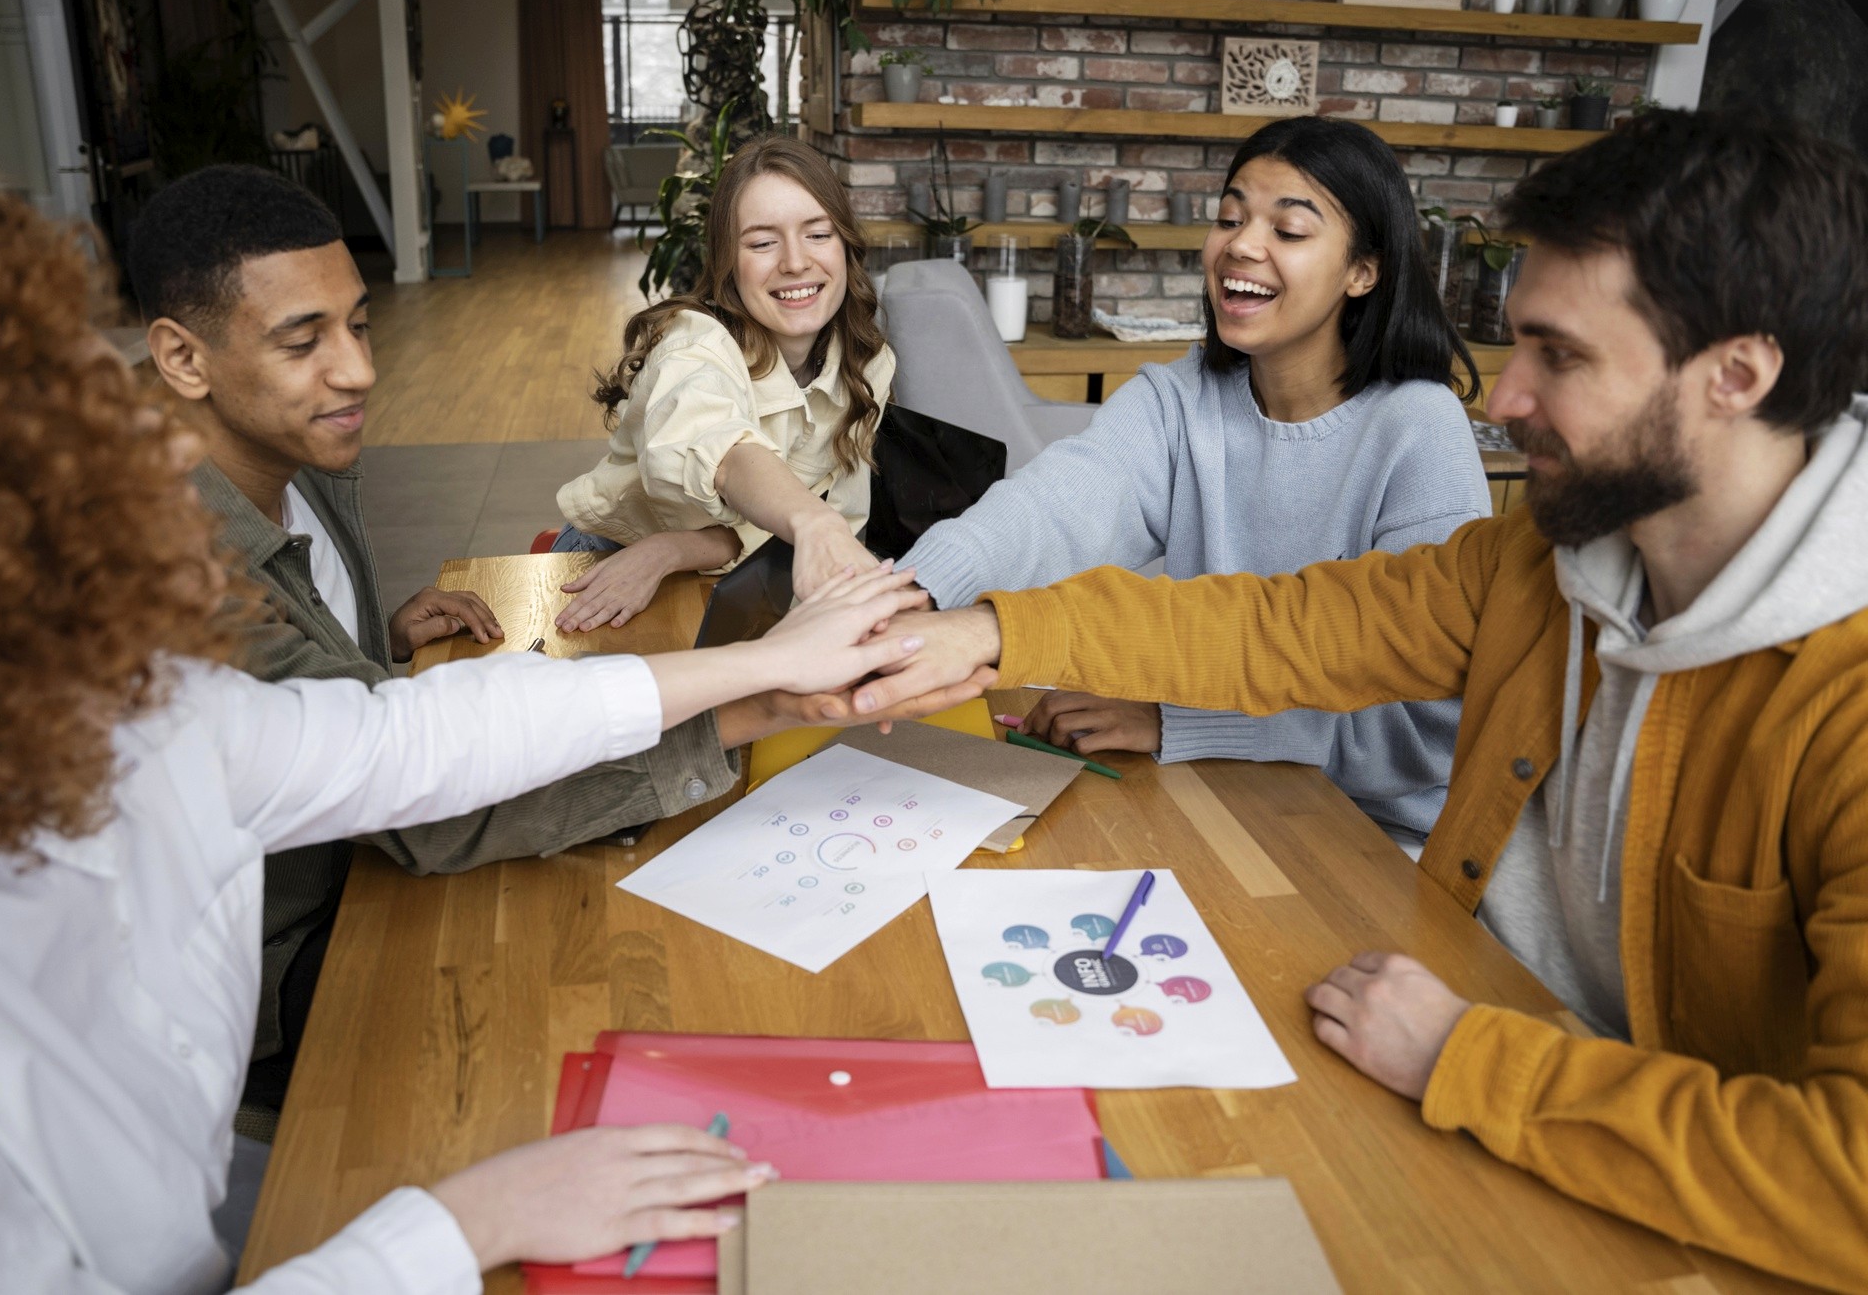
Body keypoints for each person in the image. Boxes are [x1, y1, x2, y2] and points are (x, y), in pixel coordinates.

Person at [856, 111, 1868, 1290]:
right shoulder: (1542, 559)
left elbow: (1843, 1183)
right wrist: (985, 625)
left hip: (1630, 1169)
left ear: (1734, 377)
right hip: (1464, 1014)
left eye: (1560, 357)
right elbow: (1284, 623)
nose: (1504, 400)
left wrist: (1463, 1054)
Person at [0, 180, 933, 1291]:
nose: (162, 467)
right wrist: (457, 1223)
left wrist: (761, 678)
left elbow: (403, 736)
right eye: (93, 449)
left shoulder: (140, 704)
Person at [129, 165, 931, 1108]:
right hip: (282, 955)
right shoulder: (168, 572)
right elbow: (411, 790)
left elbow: (297, 714)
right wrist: (759, 685)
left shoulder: (297, 468)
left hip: (362, 859)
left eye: (359, 326)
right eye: (303, 341)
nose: (358, 369)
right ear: (182, 359)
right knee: (603, 1006)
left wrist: (363, 645)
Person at [900, 117, 1491, 847]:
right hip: (1209, 786)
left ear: (1363, 270)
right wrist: (911, 595)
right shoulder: (1181, 397)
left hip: (1368, 835)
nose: (1241, 244)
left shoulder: (1419, 426)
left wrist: (1176, 718)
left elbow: (1428, 727)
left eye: (1291, 229)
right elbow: (1052, 508)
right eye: (1230, 217)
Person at [552, 134, 895, 631]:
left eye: (818, 234)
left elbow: (842, 522)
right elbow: (727, 456)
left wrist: (681, 549)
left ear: (846, 245)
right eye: (762, 242)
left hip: (737, 576)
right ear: (727, 262)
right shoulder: (693, 347)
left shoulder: (869, 363)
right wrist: (813, 524)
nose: (795, 261)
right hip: (611, 567)